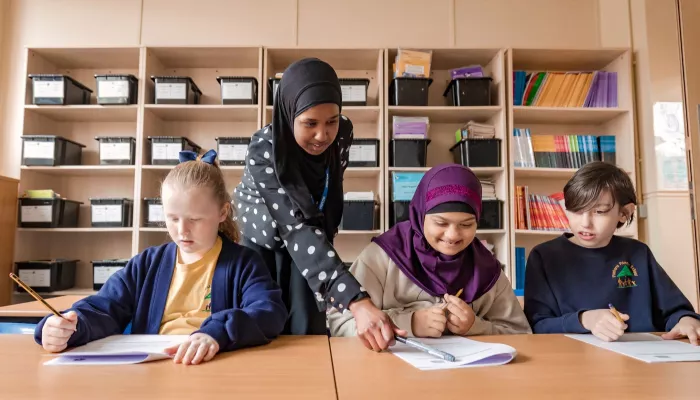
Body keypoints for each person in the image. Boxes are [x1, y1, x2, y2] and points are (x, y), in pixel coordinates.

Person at [35, 149, 288, 364]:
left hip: (215, 365)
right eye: (172, 218)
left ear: (223, 212)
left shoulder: (244, 263)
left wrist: (216, 333)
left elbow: (269, 312)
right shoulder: (147, 264)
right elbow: (105, 308)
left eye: (195, 219)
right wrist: (69, 327)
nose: (182, 230)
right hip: (154, 367)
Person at [234, 57, 404, 349]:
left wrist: (327, 248)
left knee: (308, 329)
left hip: (310, 236)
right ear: (289, 115)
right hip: (265, 245)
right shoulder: (264, 148)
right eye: (309, 123)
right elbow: (294, 226)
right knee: (262, 330)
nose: (322, 135)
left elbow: (330, 189)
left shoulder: (344, 133)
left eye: (331, 121)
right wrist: (357, 301)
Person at [328, 164, 531, 338]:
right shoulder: (383, 256)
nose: (452, 235)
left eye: (467, 225)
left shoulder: (485, 269)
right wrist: (410, 323)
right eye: (441, 223)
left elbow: (521, 333)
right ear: (420, 214)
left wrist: (476, 327)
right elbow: (340, 324)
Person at [524, 161, 700, 344]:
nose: (585, 223)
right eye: (576, 211)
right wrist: (584, 320)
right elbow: (537, 325)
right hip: (573, 359)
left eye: (599, 212)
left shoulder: (638, 253)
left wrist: (686, 320)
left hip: (642, 358)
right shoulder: (544, 256)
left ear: (624, 213)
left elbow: (674, 310)